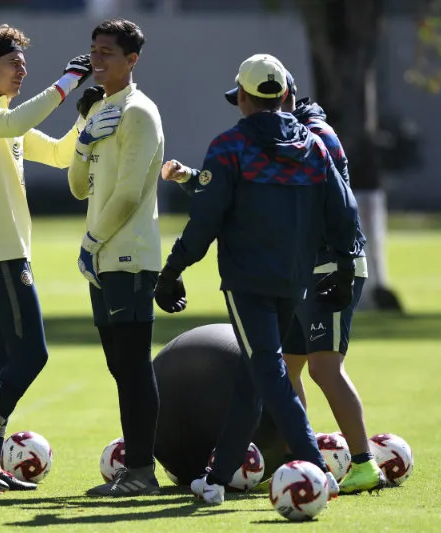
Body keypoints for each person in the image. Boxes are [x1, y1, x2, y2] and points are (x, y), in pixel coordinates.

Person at [154, 53, 357, 505]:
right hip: (295, 280)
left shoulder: (230, 146)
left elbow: (206, 217)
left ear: (243, 97)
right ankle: (217, 477)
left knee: (268, 372)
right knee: (253, 375)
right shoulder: (313, 145)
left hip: (249, 282)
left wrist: (173, 269)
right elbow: (344, 210)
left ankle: (318, 471)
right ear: (285, 95)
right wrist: (345, 266)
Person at [0, 24, 92, 493]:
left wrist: (86, 117)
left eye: (24, 65)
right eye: (14, 64)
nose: (22, 71)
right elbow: (11, 125)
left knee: (5, 356)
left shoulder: (4, 115)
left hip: (4, 249)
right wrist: (66, 84)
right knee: (33, 353)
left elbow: (59, 155)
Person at [234, 71, 384, 494]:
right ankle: (303, 460)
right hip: (299, 273)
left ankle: (363, 463)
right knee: (289, 368)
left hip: (330, 270)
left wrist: (339, 262)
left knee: (324, 366)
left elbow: (343, 204)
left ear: (279, 97)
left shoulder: (317, 135)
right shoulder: (281, 138)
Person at [67, 18, 165, 497]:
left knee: (132, 365)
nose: (97, 60)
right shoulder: (102, 110)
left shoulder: (139, 112)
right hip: (103, 258)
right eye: (93, 51)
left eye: (107, 52)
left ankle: (143, 472)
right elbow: (77, 187)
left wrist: (91, 241)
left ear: (132, 60)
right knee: (120, 367)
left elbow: (127, 195)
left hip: (127, 256)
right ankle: (138, 469)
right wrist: (83, 140)